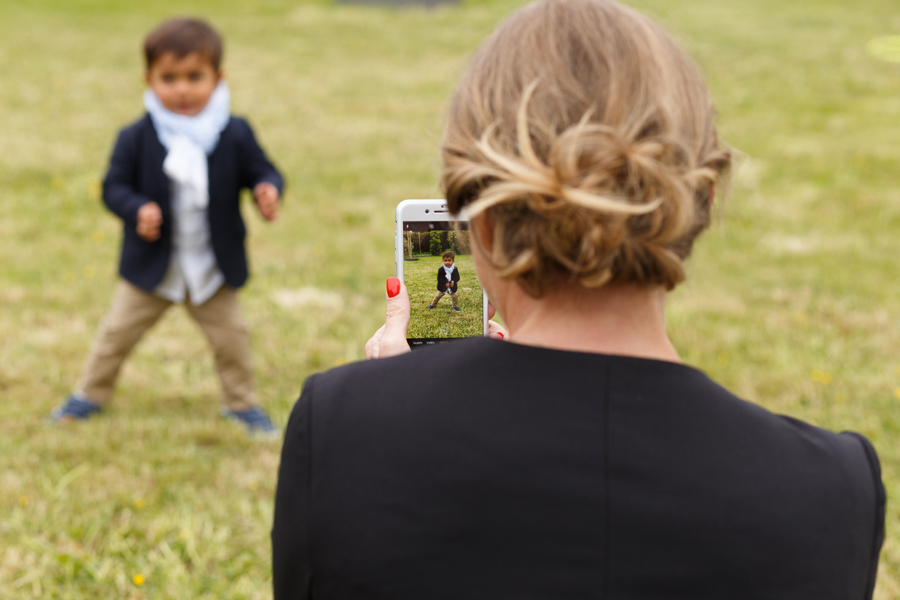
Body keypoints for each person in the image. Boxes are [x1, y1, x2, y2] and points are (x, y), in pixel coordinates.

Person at [273, 0, 885, 597]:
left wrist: (387, 419)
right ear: (699, 203)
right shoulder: (833, 488)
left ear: (479, 225)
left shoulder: (341, 430)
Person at [50, 18, 284, 436]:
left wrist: (267, 188)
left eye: (195, 77)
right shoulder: (137, 136)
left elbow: (262, 170)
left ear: (218, 77)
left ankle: (241, 404)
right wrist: (136, 208)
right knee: (115, 335)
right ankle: (90, 394)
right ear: (149, 79)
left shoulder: (233, 132)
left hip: (211, 267)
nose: (181, 89)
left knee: (232, 340)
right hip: (151, 267)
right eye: (168, 78)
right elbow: (112, 187)